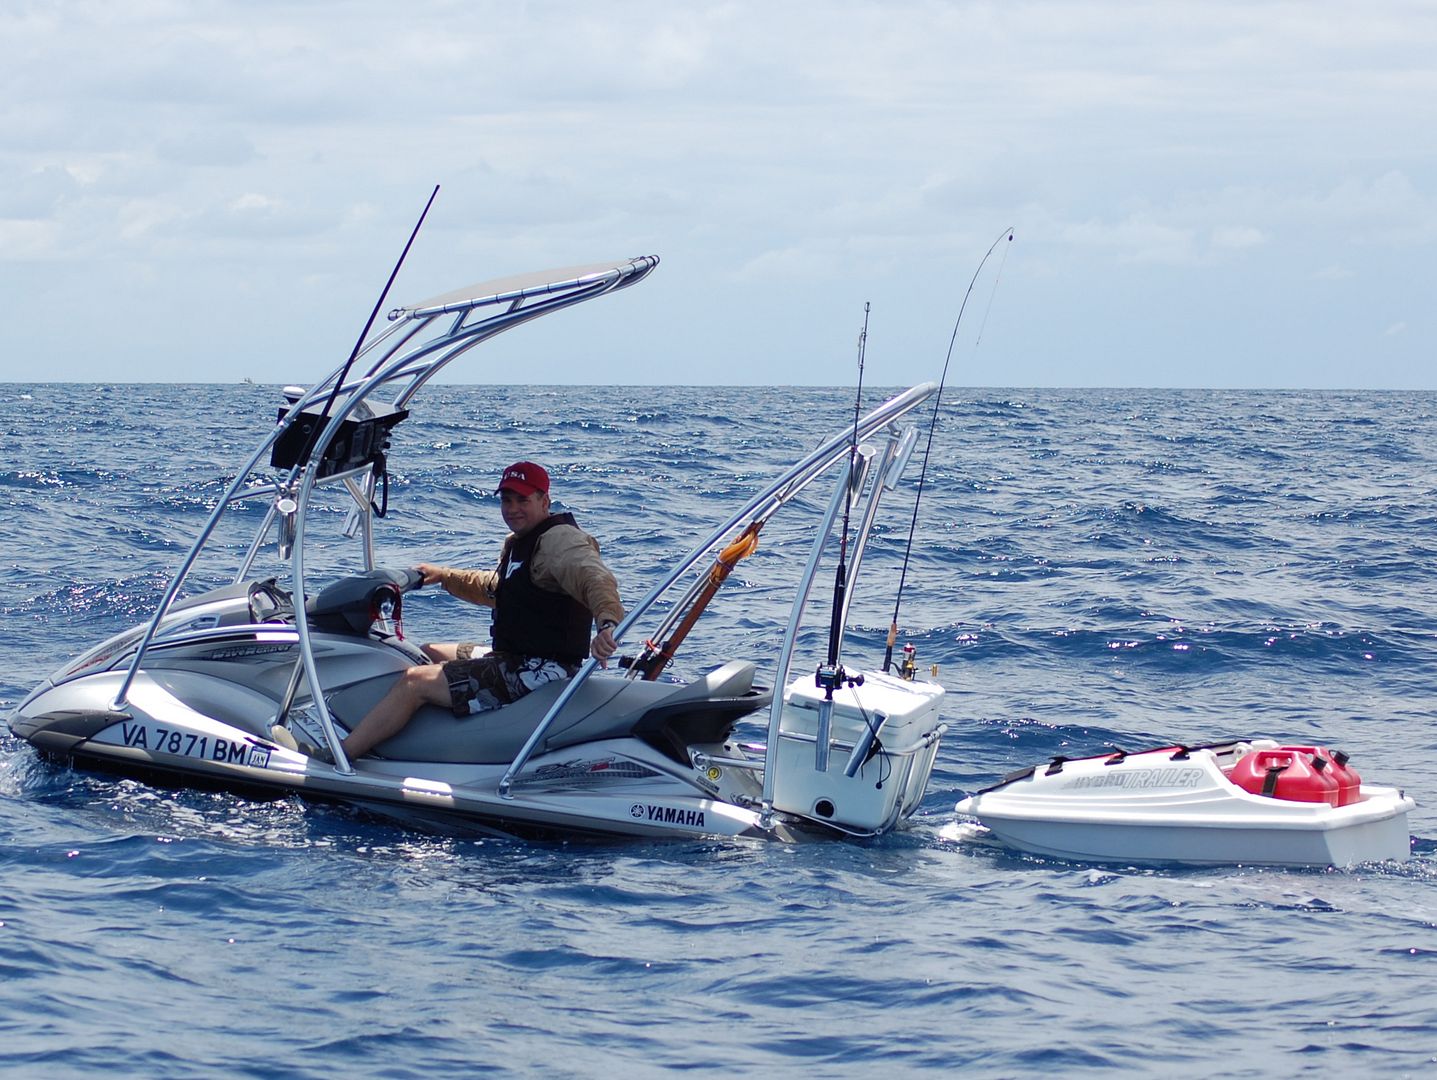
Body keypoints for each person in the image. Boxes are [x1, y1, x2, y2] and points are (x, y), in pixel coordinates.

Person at [277, 460, 624, 762]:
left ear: (545, 501)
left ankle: (340, 754)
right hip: (515, 655)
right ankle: (421, 740)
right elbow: (500, 589)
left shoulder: (559, 540)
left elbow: (593, 577)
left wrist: (606, 623)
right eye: (506, 499)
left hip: (540, 669)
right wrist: (444, 576)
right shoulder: (522, 543)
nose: (513, 508)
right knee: (424, 652)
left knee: (414, 682)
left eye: (524, 500)